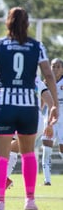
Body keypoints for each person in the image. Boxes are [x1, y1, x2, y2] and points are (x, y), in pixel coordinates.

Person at [0, 7, 59, 210]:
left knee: (1, 156)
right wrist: (55, 105)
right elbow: (49, 75)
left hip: (5, 106)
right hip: (28, 109)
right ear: (27, 24)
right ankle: (30, 200)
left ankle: (0, 203)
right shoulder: (37, 46)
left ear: (7, 23)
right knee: (29, 154)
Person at [0, 76, 53, 196]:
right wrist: (50, 124)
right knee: (14, 149)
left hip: (22, 120)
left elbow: (2, 102)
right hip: (38, 123)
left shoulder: (13, 79)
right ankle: (6, 182)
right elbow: (51, 104)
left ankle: (2, 180)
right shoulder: (37, 80)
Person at [41, 58, 63, 186]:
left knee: (61, 151)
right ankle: (47, 179)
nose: (55, 69)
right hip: (50, 119)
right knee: (47, 149)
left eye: (58, 67)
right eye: (53, 66)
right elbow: (42, 103)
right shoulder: (46, 83)